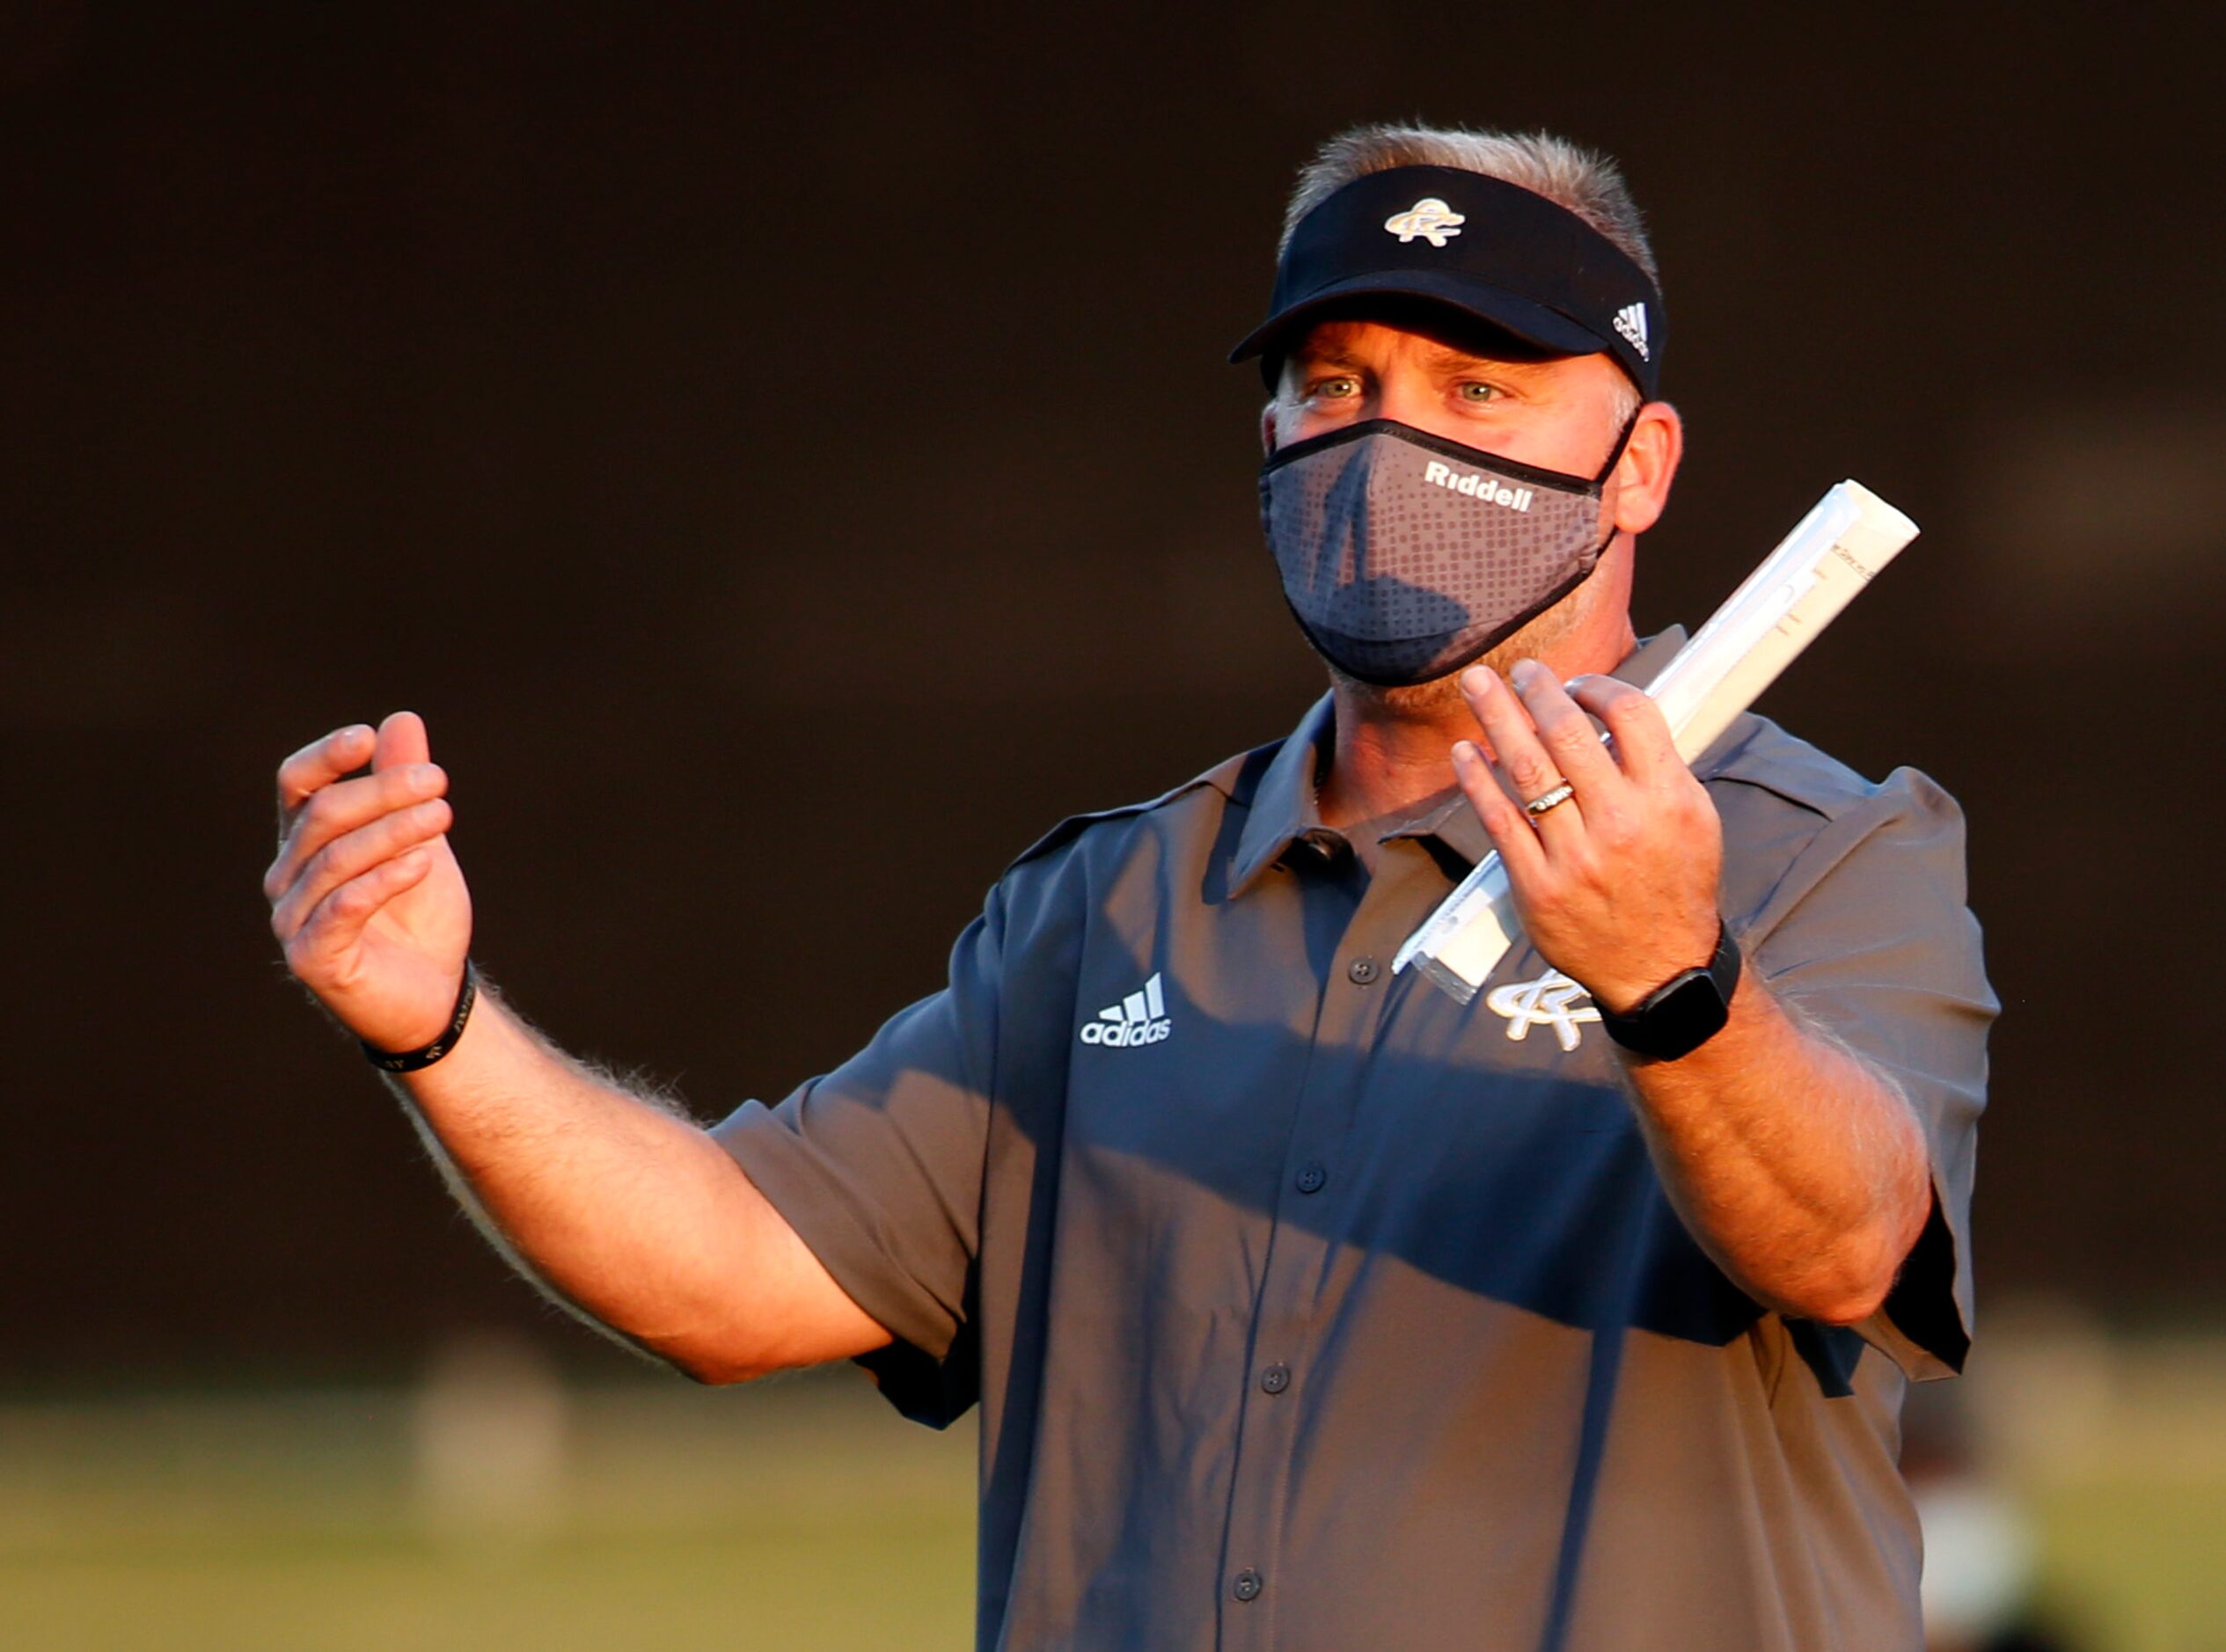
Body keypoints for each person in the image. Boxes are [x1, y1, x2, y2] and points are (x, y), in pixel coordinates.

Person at [264, 124, 1995, 1650]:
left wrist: (1668, 976)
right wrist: (441, 1027)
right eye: (1335, 386)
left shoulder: (1819, 849)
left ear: (1641, 462)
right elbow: (735, 1271)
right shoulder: (1110, 905)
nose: (1388, 450)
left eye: (1477, 390)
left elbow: (1849, 1249)